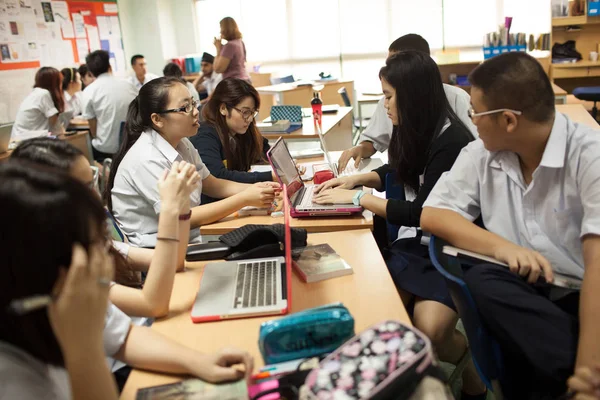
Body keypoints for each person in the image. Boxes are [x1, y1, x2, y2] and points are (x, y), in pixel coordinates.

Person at [420, 52, 600, 399]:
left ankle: (576, 378)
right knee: (482, 278)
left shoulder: (589, 157)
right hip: (524, 294)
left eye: (475, 112)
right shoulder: (481, 155)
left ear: (508, 121)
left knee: (526, 357)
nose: (471, 120)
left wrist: (588, 371)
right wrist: (504, 248)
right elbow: (434, 214)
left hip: (584, 293)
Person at [0, 162, 254, 400]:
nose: (102, 256)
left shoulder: (56, 282)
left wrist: (200, 361)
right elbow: (152, 303)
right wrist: (83, 344)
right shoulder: (12, 377)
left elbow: (122, 335)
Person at [314, 51, 486, 399]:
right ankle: (429, 374)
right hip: (418, 242)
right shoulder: (413, 128)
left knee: (430, 329)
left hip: (449, 248)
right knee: (382, 310)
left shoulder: (451, 142)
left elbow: (421, 213)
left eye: (389, 96)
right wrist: (357, 180)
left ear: (413, 95)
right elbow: (398, 169)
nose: (384, 105)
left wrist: (359, 199)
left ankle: (469, 368)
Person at [107, 77, 280, 247]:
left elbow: (212, 184)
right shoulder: (146, 159)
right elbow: (184, 217)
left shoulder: (182, 143)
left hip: (187, 237)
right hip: (155, 251)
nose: (196, 111)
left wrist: (260, 189)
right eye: (185, 107)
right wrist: (244, 198)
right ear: (157, 119)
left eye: (193, 103)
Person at [337, 34, 476, 173]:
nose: (390, 69)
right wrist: (360, 149)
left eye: (396, 64)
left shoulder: (457, 100)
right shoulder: (388, 102)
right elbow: (375, 142)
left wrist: (359, 196)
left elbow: (474, 146)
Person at [189, 78, 273, 203]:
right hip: (216, 206)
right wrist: (270, 177)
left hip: (235, 200)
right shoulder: (205, 134)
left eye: (252, 112)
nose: (249, 119)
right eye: (245, 112)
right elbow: (218, 176)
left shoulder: (239, 127)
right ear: (223, 108)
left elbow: (264, 148)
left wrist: (283, 165)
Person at [82, 50, 138, 162]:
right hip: (134, 144)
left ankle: (105, 176)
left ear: (90, 72)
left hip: (107, 149)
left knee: (87, 148)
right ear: (110, 66)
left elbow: (93, 128)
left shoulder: (89, 91)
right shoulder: (129, 85)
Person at [11, 67, 66, 138]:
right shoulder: (43, 94)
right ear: (53, 83)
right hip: (27, 139)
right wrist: (64, 134)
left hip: (22, 137)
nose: (61, 85)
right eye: (60, 82)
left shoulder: (36, 93)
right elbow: (55, 124)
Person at [213, 17, 250, 81]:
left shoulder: (229, 46)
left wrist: (218, 49)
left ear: (225, 29)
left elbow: (218, 69)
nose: (220, 32)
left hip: (235, 82)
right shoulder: (240, 42)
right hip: (245, 79)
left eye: (221, 28)